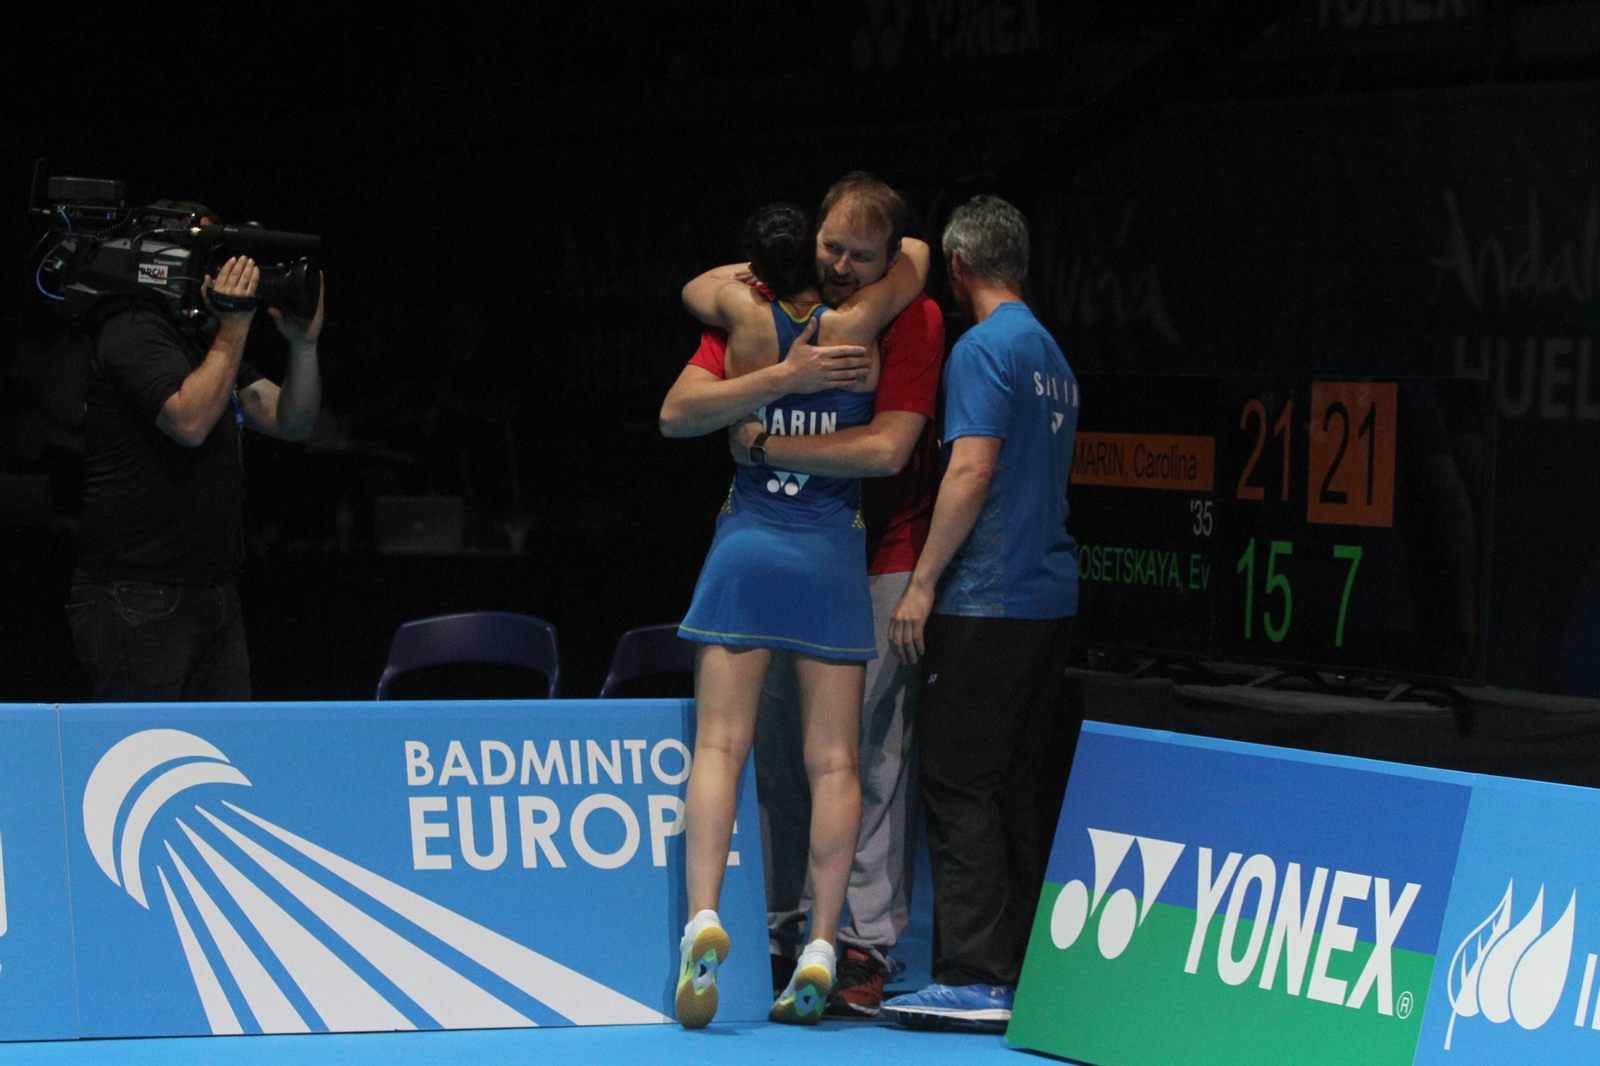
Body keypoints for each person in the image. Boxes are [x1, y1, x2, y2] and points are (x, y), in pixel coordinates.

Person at [661, 202, 929, 1029]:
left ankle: (703, 918)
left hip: (747, 544)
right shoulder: (862, 327)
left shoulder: (742, 314)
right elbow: (912, 254)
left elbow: (677, 406)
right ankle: (821, 941)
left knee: (719, 747)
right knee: (837, 764)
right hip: (827, 553)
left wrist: (769, 386)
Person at [879, 195, 1078, 1032]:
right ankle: (1025, 970)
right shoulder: (1053, 353)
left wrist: (923, 582)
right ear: (1019, 264)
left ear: (957, 269)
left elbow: (970, 472)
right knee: (1014, 791)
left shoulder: (981, 349)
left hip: (988, 601)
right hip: (1050, 600)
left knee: (958, 780)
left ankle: (973, 975)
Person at [66, 202, 324, 702]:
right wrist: (235, 325)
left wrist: (304, 347)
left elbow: (292, 421)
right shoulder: (132, 329)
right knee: (137, 761)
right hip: (137, 593)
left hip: (213, 593)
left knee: (221, 766)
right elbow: (189, 421)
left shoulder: (202, 342)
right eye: (203, 255)